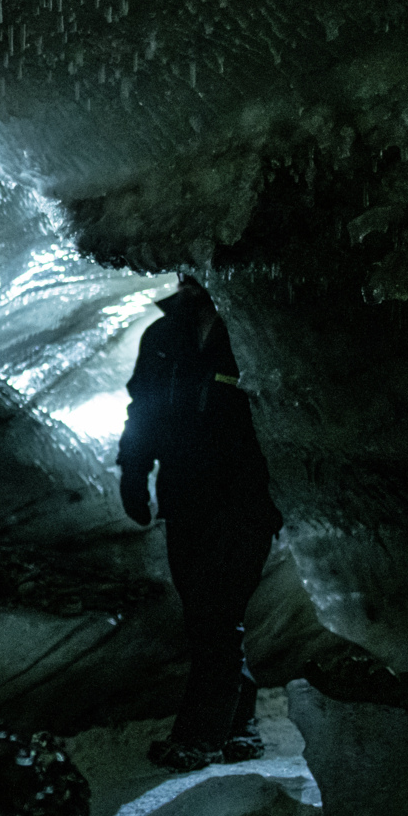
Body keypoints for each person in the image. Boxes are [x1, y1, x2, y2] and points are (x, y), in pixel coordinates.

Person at [117, 275, 284, 772]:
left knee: (217, 613)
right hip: (185, 496)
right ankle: (239, 724)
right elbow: (142, 409)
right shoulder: (163, 336)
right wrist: (134, 470)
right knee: (206, 617)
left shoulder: (257, 328)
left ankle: (199, 735)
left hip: (246, 500)